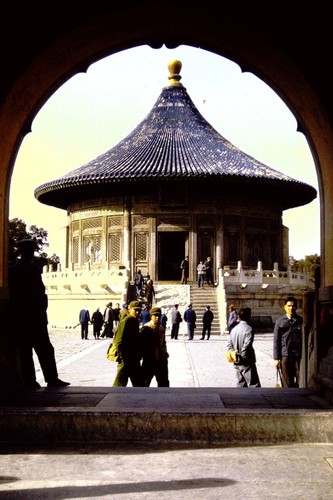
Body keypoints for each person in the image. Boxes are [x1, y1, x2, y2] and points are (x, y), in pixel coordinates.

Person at [8, 238, 70, 389]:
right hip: (29, 315)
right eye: (30, 250)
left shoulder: (27, 269)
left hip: (31, 315)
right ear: (24, 251)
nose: (32, 253)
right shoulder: (19, 270)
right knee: (34, 349)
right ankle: (42, 379)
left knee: (34, 349)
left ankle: (38, 379)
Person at [226, 306, 261, 388]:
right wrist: (242, 358)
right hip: (246, 361)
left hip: (236, 360)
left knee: (240, 384)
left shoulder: (234, 329)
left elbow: (229, 345)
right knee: (253, 384)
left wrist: (235, 356)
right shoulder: (249, 329)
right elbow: (246, 346)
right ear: (249, 317)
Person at [112, 301, 145, 387]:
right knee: (119, 386)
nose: (137, 312)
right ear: (129, 309)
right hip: (126, 359)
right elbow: (118, 341)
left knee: (140, 384)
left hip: (134, 359)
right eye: (135, 310)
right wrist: (123, 357)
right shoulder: (126, 321)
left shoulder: (135, 321)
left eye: (139, 310)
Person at [273, 296, 303, 388]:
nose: (291, 308)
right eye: (289, 306)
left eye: (293, 306)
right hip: (285, 355)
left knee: (299, 381)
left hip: (298, 356)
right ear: (285, 307)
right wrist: (276, 358)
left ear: (296, 307)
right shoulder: (280, 321)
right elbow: (276, 340)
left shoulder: (300, 320)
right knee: (287, 382)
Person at [140, 306, 170, 387]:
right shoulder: (146, 327)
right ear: (151, 316)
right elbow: (141, 344)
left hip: (161, 359)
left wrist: (165, 354)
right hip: (150, 360)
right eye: (155, 316)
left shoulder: (161, 328)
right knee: (145, 382)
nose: (157, 317)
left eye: (159, 316)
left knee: (164, 383)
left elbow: (163, 343)